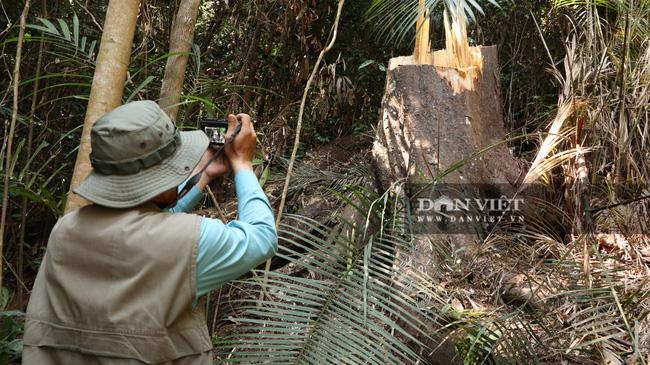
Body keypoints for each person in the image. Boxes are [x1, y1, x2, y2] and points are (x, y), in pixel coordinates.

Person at [22, 100, 278, 364]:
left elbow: (141, 228)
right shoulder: (191, 239)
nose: (182, 170)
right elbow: (261, 237)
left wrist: (202, 176)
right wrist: (243, 164)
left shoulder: (65, 230)